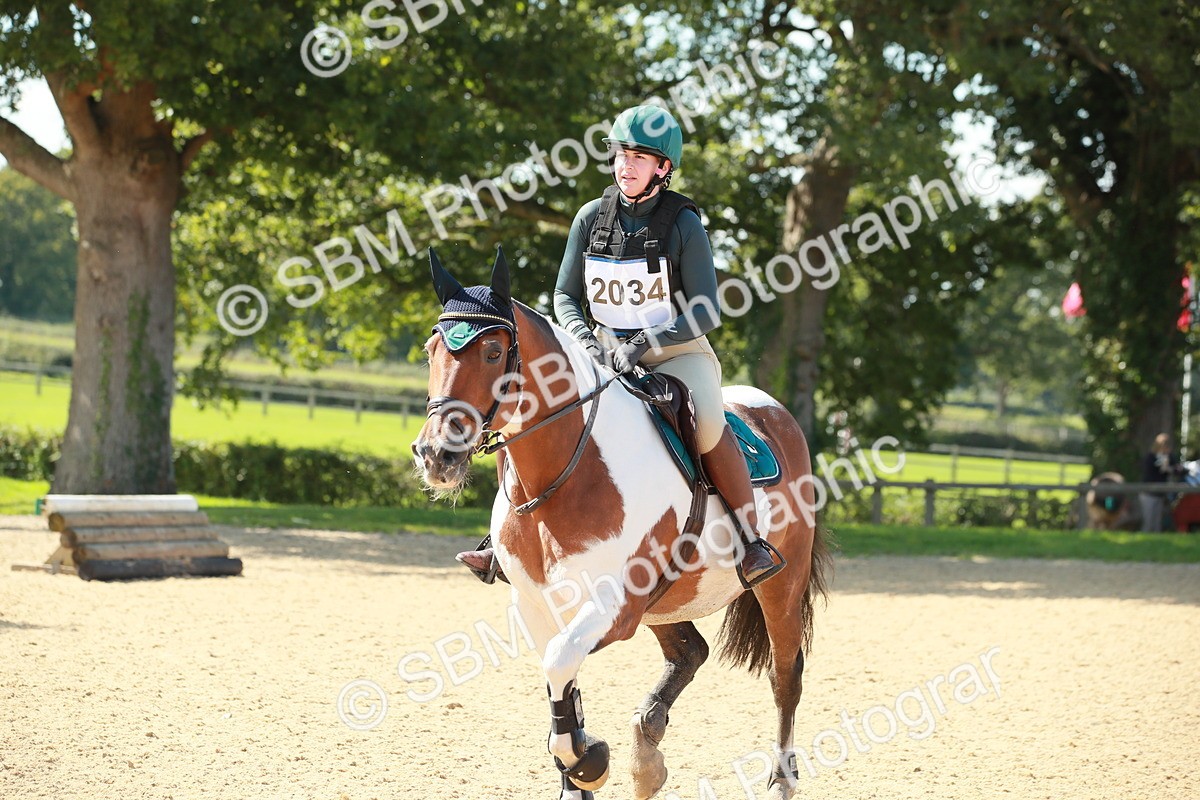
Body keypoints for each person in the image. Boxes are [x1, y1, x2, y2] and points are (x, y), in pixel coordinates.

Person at [458, 105, 782, 589]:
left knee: (708, 421)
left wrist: (646, 342)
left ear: (663, 168)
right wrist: (584, 337)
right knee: (519, 409)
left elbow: (706, 309)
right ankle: (500, 540)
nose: (626, 165)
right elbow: (565, 295)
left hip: (675, 351)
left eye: (640, 157)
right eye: (622, 155)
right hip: (601, 350)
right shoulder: (591, 217)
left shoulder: (683, 224)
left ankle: (750, 539)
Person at [1139, 433, 1182, 532]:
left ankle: (1155, 542)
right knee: (1149, 521)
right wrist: (1160, 467)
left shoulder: (1170, 457)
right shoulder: (1151, 457)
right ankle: (1144, 542)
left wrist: (1168, 469)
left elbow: (1177, 470)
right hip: (1148, 493)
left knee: (1157, 522)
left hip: (1160, 493)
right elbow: (1149, 473)